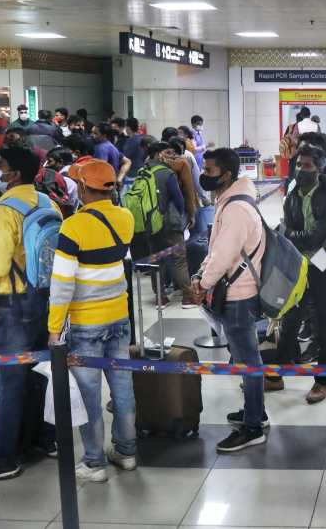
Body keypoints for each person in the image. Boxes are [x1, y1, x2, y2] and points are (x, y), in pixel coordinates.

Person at [0, 146, 59, 485]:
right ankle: (47, 438)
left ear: (14, 174)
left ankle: (3, 459)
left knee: (8, 382)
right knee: (45, 372)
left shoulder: (4, 209)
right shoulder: (48, 203)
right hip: (49, 298)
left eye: (1, 166)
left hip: (16, 303)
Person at [46, 160, 138, 483]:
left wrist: (54, 328)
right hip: (119, 317)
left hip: (85, 323)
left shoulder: (72, 227)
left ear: (83, 188)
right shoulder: (125, 217)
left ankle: (95, 462)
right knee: (123, 389)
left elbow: (62, 284)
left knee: (89, 395)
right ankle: (126, 452)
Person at [193, 148, 270, 451]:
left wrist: (203, 282)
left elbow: (223, 255)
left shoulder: (236, 208)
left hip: (239, 294)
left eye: (209, 171)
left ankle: (253, 427)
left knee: (248, 360)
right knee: (246, 357)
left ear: (226, 175)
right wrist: (203, 273)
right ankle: (256, 411)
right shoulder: (231, 200)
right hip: (237, 289)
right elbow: (218, 249)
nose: (204, 175)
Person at [277, 144, 326, 403]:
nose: (301, 170)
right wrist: (292, 235)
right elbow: (287, 229)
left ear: (319, 169)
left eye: (307, 166)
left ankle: (323, 381)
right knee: (290, 317)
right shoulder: (293, 194)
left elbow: (317, 236)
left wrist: (291, 234)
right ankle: (278, 373)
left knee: (325, 322)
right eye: (298, 165)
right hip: (299, 263)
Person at [144, 142, 199, 307]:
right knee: (178, 259)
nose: (171, 156)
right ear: (158, 154)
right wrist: (185, 214)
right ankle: (188, 298)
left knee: (156, 259)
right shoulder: (167, 172)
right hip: (170, 222)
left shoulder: (143, 172)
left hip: (150, 223)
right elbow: (179, 199)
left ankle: (160, 298)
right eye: (167, 153)